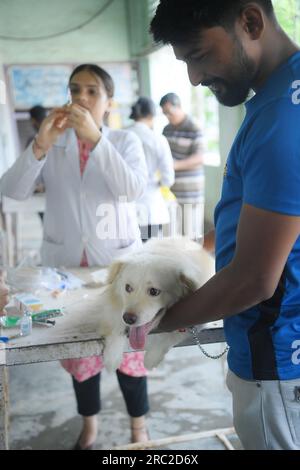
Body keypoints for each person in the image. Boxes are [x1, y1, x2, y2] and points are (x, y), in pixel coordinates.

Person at [151, 0, 300, 450]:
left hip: (277, 363)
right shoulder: (284, 97)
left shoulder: (280, 119)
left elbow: (254, 280)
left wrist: (157, 322)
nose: (194, 78)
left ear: (250, 21)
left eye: (198, 54)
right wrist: (190, 252)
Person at [0, 64, 150, 449]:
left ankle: (139, 429)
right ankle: (91, 427)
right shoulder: (55, 144)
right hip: (65, 270)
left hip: (119, 269)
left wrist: (97, 141)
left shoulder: (125, 140)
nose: (81, 99)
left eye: (92, 92)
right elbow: (12, 190)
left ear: (108, 103)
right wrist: (40, 144)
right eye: (75, 90)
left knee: (129, 353)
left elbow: (131, 190)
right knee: (80, 361)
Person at [160, 92, 205, 240]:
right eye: (164, 113)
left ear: (179, 107)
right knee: (173, 235)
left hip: (191, 193)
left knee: (191, 236)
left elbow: (199, 157)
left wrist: (174, 165)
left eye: (169, 112)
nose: (167, 116)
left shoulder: (194, 127)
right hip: (171, 192)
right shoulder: (166, 130)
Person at [129, 96, 175, 241]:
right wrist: (156, 183)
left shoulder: (121, 136)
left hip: (126, 209)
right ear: (151, 115)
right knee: (151, 255)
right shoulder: (158, 139)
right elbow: (168, 179)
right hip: (151, 208)